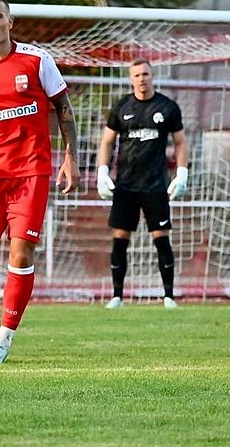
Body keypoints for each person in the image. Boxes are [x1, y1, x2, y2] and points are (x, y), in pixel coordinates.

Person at [0, 0, 80, 366]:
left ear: (11, 22)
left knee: (21, 254)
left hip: (31, 174)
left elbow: (64, 109)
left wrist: (71, 156)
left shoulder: (37, 60)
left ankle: (5, 337)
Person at [96, 59, 188, 309]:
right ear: (131, 78)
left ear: (152, 76)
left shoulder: (167, 107)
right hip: (125, 185)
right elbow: (107, 141)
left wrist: (182, 173)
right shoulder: (122, 106)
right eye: (136, 75)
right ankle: (117, 296)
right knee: (120, 238)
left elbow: (179, 142)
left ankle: (168, 296)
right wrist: (102, 172)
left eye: (145, 73)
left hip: (156, 185)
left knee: (161, 238)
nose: (141, 78)